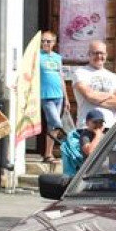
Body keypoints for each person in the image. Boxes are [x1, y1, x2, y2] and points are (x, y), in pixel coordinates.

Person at [72, 40, 116, 130]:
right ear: (89, 54)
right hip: (88, 127)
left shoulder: (113, 76)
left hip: (110, 127)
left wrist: (96, 99)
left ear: (106, 55)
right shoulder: (80, 73)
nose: (99, 56)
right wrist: (110, 95)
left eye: (102, 53)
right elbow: (90, 95)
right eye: (95, 53)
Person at [39, 31, 68, 164]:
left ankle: (48, 154)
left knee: (52, 127)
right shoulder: (37, 56)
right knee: (57, 123)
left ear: (54, 43)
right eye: (43, 41)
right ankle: (68, 146)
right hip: (46, 96)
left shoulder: (57, 57)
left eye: (48, 41)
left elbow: (61, 77)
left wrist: (66, 97)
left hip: (59, 96)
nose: (45, 43)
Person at [61, 108, 106, 176]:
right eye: (95, 122)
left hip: (105, 170)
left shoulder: (104, 135)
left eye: (100, 122)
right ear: (87, 123)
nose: (98, 125)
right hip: (91, 171)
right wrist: (98, 136)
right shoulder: (85, 135)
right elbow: (89, 151)